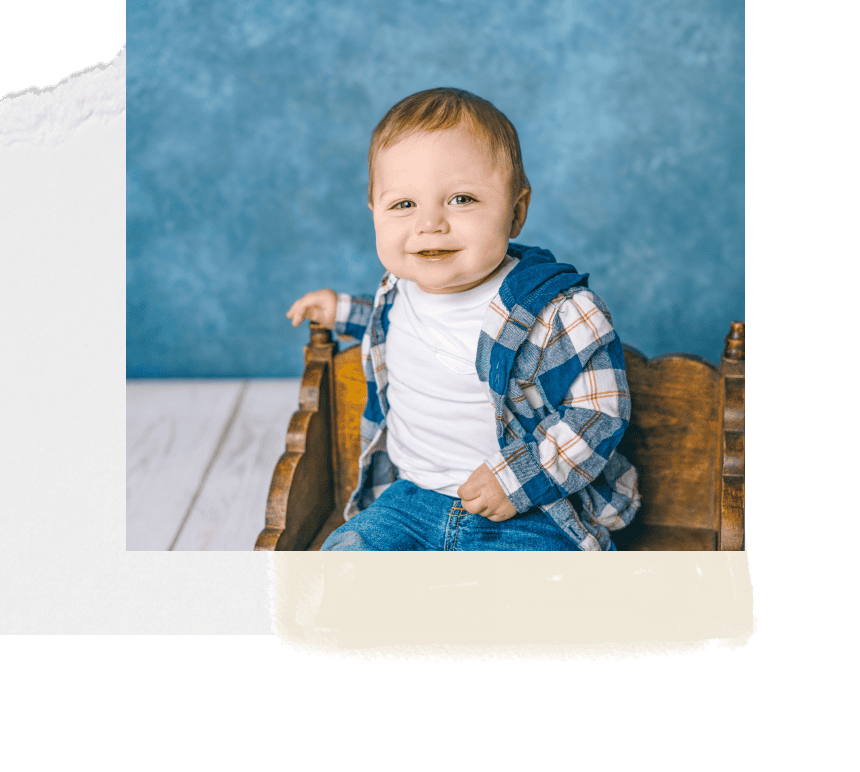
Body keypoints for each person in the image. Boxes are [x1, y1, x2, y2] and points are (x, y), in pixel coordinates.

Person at [287, 87, 640, 551]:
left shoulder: (558, 311)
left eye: (461, 199)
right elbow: (393, 325)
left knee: (535, 589)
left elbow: (600, 414)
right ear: (374, 212)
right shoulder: (399, 289)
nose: (430, 223)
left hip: (528, 511)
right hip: (408, 502)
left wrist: (517, 480)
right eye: (404, 205)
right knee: (342, 562)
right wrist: (342, 311)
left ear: (516, 211)